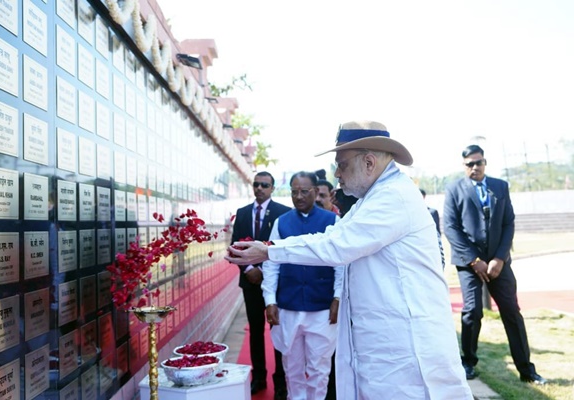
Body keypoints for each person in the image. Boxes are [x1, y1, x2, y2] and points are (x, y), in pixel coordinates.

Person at [226, 120, 473, 399]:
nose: (336, 174)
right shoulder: (373, 197)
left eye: (342, 164)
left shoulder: (393, 196)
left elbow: (336, 246)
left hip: (405, 349)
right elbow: (332, 235)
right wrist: (269, 248)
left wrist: (269, 251)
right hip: (385, 346)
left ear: (369, 162)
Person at [443, 144, 546, 385]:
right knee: (472, 312)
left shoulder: (500, 187)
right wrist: (474, 260)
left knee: (511, 312)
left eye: (478, 162)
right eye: (470, 164)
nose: (475, 167)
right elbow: (451, 228)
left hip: (499, 263)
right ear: (464, 166)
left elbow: (508, 223)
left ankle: (526, 370)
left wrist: (499, 258)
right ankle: (468, 363)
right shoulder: (454, 189)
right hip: (469, 264)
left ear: (485, 163)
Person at [262, 171, 342, 400]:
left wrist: (337, 297)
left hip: (322, 309)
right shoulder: (282, 222)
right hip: (288, 306)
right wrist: (270, 301)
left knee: (319, 368)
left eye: (304, 191)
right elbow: (271, 263)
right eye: (294, 192)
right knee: (292, 366)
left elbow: (341, 264)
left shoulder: (332, 222)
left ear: (316, 192)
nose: (299, 196)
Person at [230, 171, 291, 397]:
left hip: (275, 284)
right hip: (250, 282)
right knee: (255, 330)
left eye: (264, 185)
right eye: (256, 184)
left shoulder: (283, 213)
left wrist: (264, 271)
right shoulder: (243, 213)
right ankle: (259, 378)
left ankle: (281, 381)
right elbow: (234, 245)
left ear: (272, 188)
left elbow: (284, 248)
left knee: (277, 331)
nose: (259, 188)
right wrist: (248, 269)